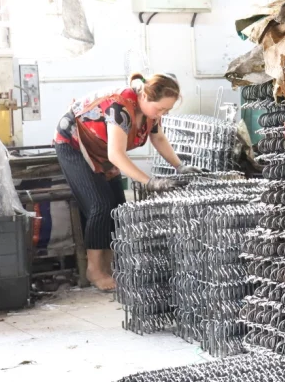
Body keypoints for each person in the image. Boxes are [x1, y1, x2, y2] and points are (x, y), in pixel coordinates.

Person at [53, 73, 199, 290]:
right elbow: (116, 155)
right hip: (75, 143)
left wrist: (180, 166)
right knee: (100, 205)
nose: (162, 114)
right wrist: (150, 182)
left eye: (166, 111)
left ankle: (109, 266)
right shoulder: (120, 107)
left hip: (101, 148)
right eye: (160, 109)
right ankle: (94, 270)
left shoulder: (150, 112)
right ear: (145, 97)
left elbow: (158, 137)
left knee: (118, 208)